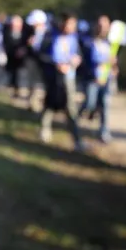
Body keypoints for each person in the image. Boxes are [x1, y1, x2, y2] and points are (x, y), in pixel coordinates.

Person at [39, 12, 85, 150]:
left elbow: (79, 55)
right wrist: (56, 64)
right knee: (49, 104)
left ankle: (77, 139)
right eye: (69, 24)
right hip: (53, 78)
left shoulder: (75, 39)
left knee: (71, 108)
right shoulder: (50, 36)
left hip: (69, 78)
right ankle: (45, 129)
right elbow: (42, 55)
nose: (71, 27)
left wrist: (76, 61)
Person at [78, 15, 117, 143]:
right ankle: (75, 122)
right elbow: (86, 61)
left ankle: (103, 132)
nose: (102, 29)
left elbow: (112, 62)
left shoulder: (110, 43)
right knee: (89, 103)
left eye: (105, 26)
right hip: (92, 80)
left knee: (104, 105)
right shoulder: (87, 42)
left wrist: (114, 66)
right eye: (100, 26)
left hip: (106, 80)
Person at [25, 9, 50, 111]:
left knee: (40, 85)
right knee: (33, 83)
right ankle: (32, 104)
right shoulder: (31, 32)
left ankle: (39, 104)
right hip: (33, 61)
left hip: (44, 63)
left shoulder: (48, 33)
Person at [3, 15, 29, 98]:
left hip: (21, 58)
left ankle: (19, 89)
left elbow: (27, 44)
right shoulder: (7, 31)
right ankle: (12, 88)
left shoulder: (25, 32)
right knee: (11, 73)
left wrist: (22, 50)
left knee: (20, 73)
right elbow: (6, 44)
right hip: (11, 56)